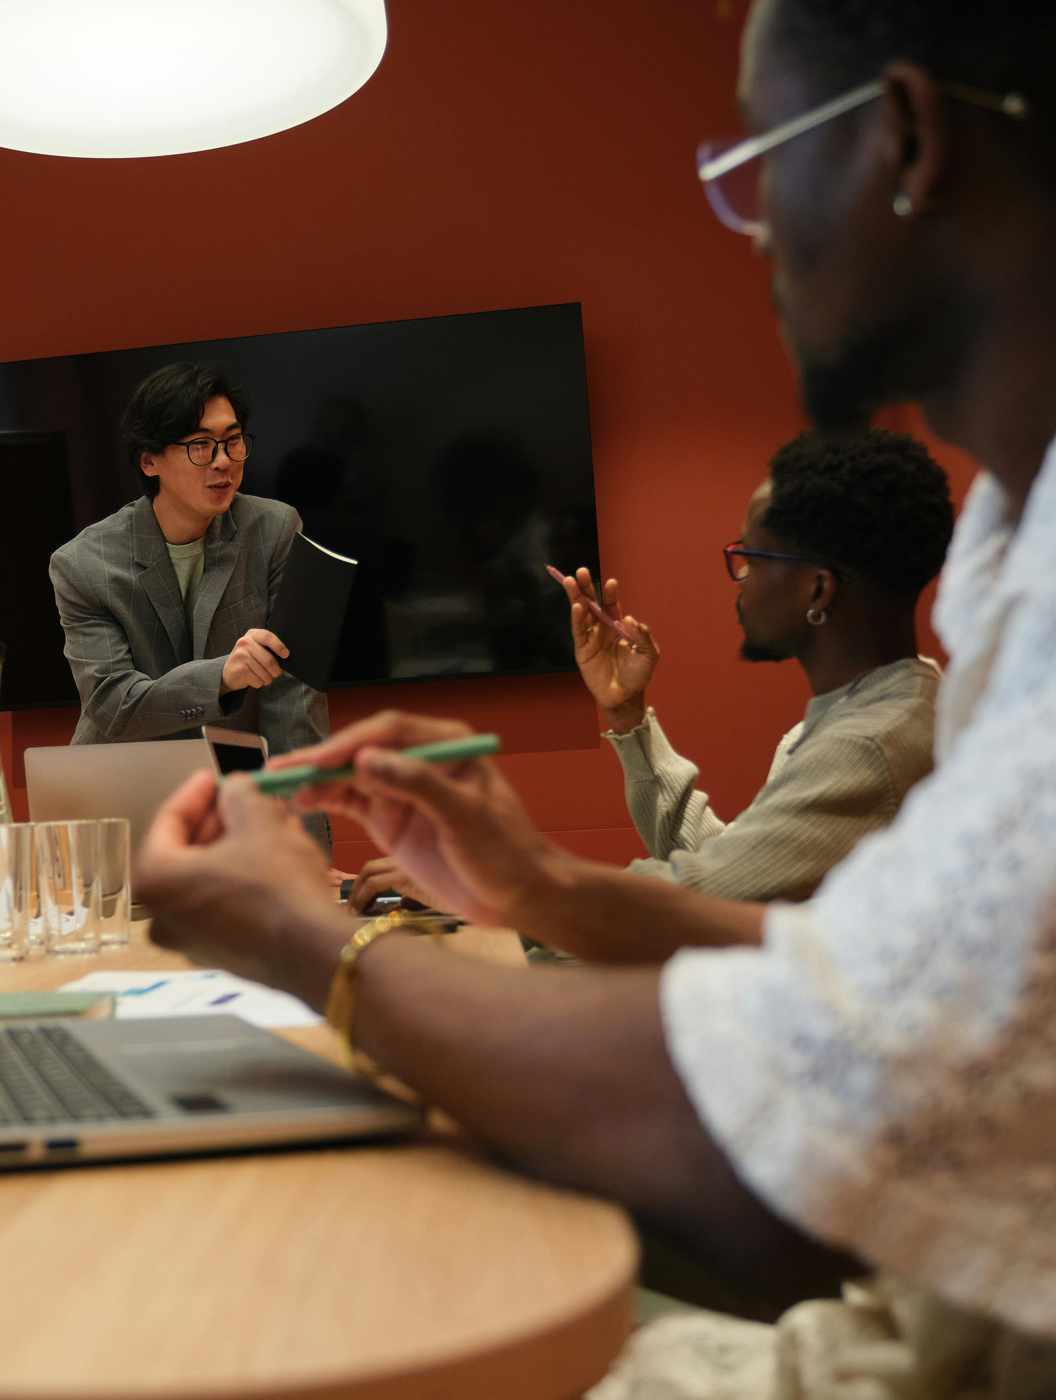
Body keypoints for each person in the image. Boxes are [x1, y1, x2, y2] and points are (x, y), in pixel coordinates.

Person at [136, 0, 1056, 1393]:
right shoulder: (1005, 565)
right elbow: (836, 975)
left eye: (760, 163)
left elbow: (782, 1108)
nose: (749, 233)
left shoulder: (945, 683)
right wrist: (541, 882)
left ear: (908, 140)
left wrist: (301, 939)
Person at [350, 429, 952, 914]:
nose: (737, 580)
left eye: (749, 557)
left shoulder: (870, 745)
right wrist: (629, 716)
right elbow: (727, 869)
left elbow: (691, 896)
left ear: (817, 587)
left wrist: (486, 885)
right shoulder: (879, 711)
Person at [49, 362, 331, 852]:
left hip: (230, 796)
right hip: (119, 793)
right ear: (149, 461)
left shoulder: (274, 529)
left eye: (233, 440)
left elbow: (293, 701)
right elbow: (114, 703)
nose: (223, 460)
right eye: (200, 445)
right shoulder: (83, 564)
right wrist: (223, 675)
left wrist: (305, 846)